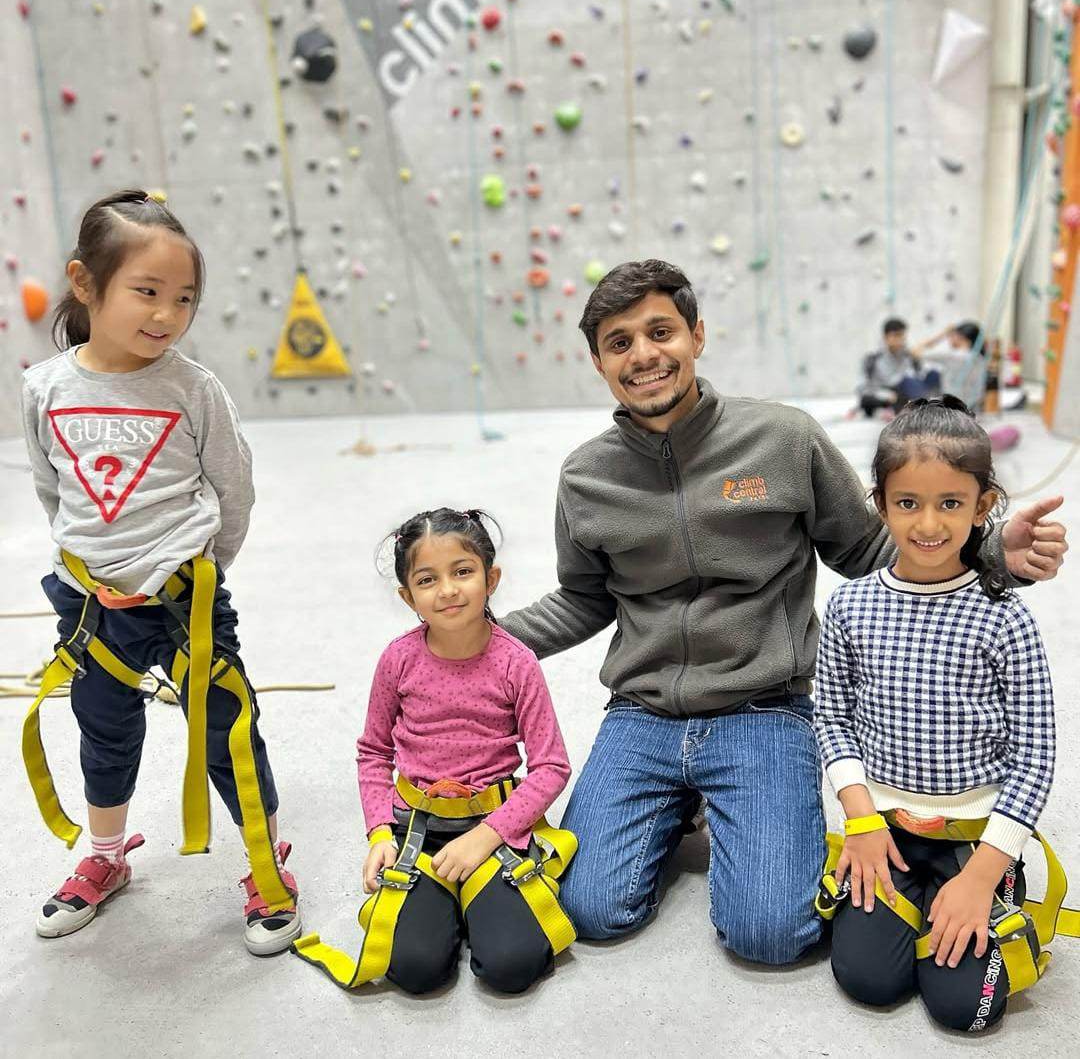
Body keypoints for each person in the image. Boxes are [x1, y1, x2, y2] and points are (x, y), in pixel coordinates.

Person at [499, 260, 1067, 966]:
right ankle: (681, 806)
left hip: (763, 709)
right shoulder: (585, 475)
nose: (643, 354)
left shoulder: (785, 439)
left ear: (697, 335)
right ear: (598, 362)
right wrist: (467, 637)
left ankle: (719, 800)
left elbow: (868, 545)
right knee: (589, 911)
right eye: (619, 342)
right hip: (642, 712)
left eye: (659, 331)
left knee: (773, 934)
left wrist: (984, 550)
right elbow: (582, 597)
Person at [20, 189, 300, 954]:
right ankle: (106, 856)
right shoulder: (44, 387)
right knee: (102, 734)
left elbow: (232, 488)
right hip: (88, 607)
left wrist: (201, 569)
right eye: (147, 292)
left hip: (185, 603)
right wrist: (88, 563)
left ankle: (264, 857)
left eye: (184, 299)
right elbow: (55, 487)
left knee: (227, 728)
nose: (167, 314)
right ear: (85, 283)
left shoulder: (192, 389)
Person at [813, 397, 1055, 1031]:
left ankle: (975, 896)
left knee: (965, 1011)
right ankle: (911, 902)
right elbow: (832, 718)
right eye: (907, 503)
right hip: (884, 833)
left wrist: (983, 875)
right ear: (880, 504)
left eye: (951, 504)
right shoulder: (849, 607)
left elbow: (1035, 758)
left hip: (972, 840)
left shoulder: (1006, 617)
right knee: (870, 982)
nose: (928, 524)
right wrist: (861, 819)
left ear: (983, 506)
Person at [294, 509, 574, 994]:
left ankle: (475, 901)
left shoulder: (517, 663)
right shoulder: (397, 660)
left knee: (512, 967)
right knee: (414, 970)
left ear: (491, 579)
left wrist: (486, 837)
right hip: (418, 836)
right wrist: (380, 832)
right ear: (408, 597)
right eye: (428, 579)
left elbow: (551, 766)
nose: (447, 589)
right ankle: (453, 904)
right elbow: (374, 753)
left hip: (494, 834)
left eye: (462, 572)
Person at [854, 317, 941, 419]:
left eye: (902, 336)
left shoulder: (907, 355)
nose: (900, 340)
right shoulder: (873, 358)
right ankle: (926, 411)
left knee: (933, 374)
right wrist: (886, 395)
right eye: (896, 336)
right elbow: (862, 387)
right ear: (886, 337)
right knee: (906, 383)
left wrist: (918, 358)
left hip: (907, 395)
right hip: (883, 397)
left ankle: (933, 408)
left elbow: (919, 376)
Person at [911, 321, 988, 411]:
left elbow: (915, 351)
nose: (949, 339)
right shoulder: (980, 358)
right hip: (973, 408)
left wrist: (942, 334)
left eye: (951, 336)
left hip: (952, 409)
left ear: (960, 337)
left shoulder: (952, 356)